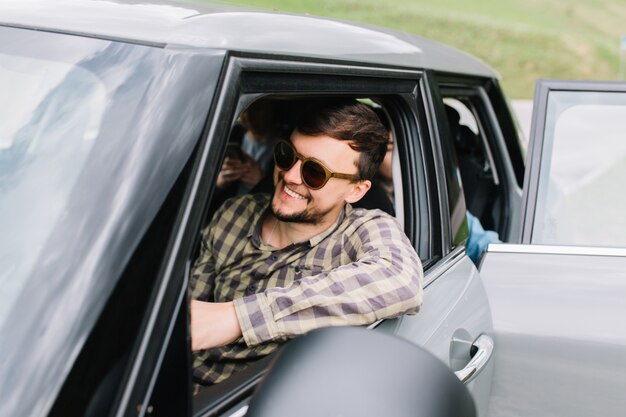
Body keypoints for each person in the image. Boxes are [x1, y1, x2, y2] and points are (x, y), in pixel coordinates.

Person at [189, 99, 423, 390]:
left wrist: (238, 318)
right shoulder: (234, 212)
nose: (289, 176)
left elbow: (400, 280)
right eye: (287, 155)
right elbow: (191, 315)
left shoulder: (364, 231)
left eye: (314, 173)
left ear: (355, 189)